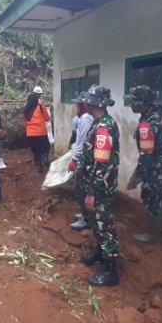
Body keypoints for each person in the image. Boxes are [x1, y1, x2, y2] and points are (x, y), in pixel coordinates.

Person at [77, 86, 120, 286]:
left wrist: (92, 192)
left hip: (100, 186)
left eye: (88, 99)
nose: (85, 102)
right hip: (94, 183)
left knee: (104, 224)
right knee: (96, 221)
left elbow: (101, 163)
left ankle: (111, 270)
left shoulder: (104, 128)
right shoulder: (98, 123)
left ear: (96, 103)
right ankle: (101, 254)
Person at [125, 86, 162, 243]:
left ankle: (153, 236)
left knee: (151, 196)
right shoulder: (160, 109)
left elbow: (146, 157)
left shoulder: (146, 127)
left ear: (142, 103)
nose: (131, 106)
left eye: (133, 102)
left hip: (156, 164)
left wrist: (135, 178)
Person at [67, 91, 94, 231]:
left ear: (84, 105)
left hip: (85, 160)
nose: (76, 106)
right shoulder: (90, 118)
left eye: (78, 104)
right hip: (89, 160)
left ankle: (86, 218)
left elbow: (82, 141)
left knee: (80, 189)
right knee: (85, 189)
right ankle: (87, 215)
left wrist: (74, 159)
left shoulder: (85, 119)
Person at [23, 87, 51, 172]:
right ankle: (44, 159)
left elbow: (25, 121)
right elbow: (47, 118)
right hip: (41, 132)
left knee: (35, 150)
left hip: (31, 133)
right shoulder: (40, 107)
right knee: (45, 146)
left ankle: (38, 163)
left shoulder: (26, 109)